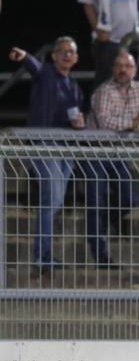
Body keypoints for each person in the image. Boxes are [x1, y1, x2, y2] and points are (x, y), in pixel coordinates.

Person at [8, 37, 85, 273]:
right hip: (43, 144)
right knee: (50, 198)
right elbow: (34, 65)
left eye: (71, 52)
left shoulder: (75, 88)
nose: (66, 55)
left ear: (77, 57)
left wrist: (79, 124)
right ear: (53, 56)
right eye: (61, 51)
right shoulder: (47, 73)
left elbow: (76, 119)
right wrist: (24, 56)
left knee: (55, 201)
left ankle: (44, 255)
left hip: (66, 148)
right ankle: (42, 257)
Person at [86, 50, 139, 266]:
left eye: (128, 66)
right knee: (96, 202)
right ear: (113, 68)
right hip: (95, 152)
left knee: (130, 198)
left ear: (135, 70)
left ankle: (107, 223)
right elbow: (105, 123)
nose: (123, 69)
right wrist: (133, 123)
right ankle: (101, 257)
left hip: (118, 152)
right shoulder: (104, 90)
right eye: (119, 65)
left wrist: (137, 123)